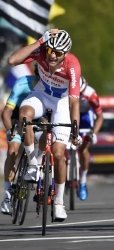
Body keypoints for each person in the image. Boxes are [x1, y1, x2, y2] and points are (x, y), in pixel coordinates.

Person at [7, 29, 82, 221]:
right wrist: (41, 41)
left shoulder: (72, 65)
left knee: (58, 154)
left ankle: (58, 203)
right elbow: (12, 61)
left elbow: (74, 102)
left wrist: (75, 128)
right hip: (40, 96)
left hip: (61, 103)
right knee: (25, 115)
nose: (53, 56)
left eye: (58, 53)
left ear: (65, 53)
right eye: (51, 51)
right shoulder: (42, 52)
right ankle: (33, 165)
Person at [0, 71, 43, 214]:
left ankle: (39, 172)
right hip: (18, 116)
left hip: (39, 117)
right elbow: (6, 112)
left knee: (45, 139)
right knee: (13, 149)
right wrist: (10, 129)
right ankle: (7, 196)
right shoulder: (22, 83)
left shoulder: (50, 86)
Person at [77, 76, 103, 200]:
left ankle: (82, 181)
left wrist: (94, 133)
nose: (80, 95)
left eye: (81, 93)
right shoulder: (66, 92)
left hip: (86, 116)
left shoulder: (91, 94)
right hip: (72, 114)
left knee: (83, 150)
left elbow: (100, 117)